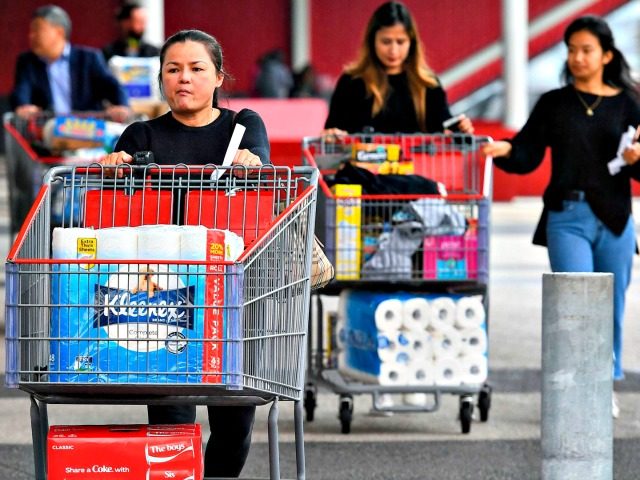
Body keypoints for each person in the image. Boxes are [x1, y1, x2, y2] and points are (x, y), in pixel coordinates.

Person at [100, 29, 267, 477]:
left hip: (232, 290)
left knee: (233, 420)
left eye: (196, 69)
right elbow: (120, 211)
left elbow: (266, 184)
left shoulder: (242, 128)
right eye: (173, 70)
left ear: (218, 76)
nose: (184, 79)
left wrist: (255, 165)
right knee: (172, 420)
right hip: (163, 294)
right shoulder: (140, 135)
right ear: (160, 80)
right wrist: (114, 168)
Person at [483, 15, 640, 418]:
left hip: (617, 219)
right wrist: (504, 151)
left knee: (611, 308)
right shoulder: (554, 103)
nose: (577, 57)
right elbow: (526, 152)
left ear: (606, 54)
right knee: (573, 303)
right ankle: (576, 385)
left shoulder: (630, 103)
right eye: (571, 50)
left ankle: (602, 383)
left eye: (586, 50)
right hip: (566, 216)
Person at [323, 1, 473, 135]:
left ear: (411, 43)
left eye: (400, 42)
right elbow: (331, 133)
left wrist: (461, 129)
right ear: (372, 41)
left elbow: (447, 127)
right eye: (386, 41)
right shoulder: (351, 82)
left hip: (418, 166)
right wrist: (331, 136)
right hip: (360, 166)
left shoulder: (428, 84)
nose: (393, 51)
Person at [10, 4, 130, 121]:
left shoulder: (89, 59)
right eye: (31, 31)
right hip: (46, 133)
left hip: (88, 130)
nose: (31, 36)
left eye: (37, 30)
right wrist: (23, 107)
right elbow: (21, 91)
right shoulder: (27, 62)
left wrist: (122, 106)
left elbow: (113, 87)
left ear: (59, 32)